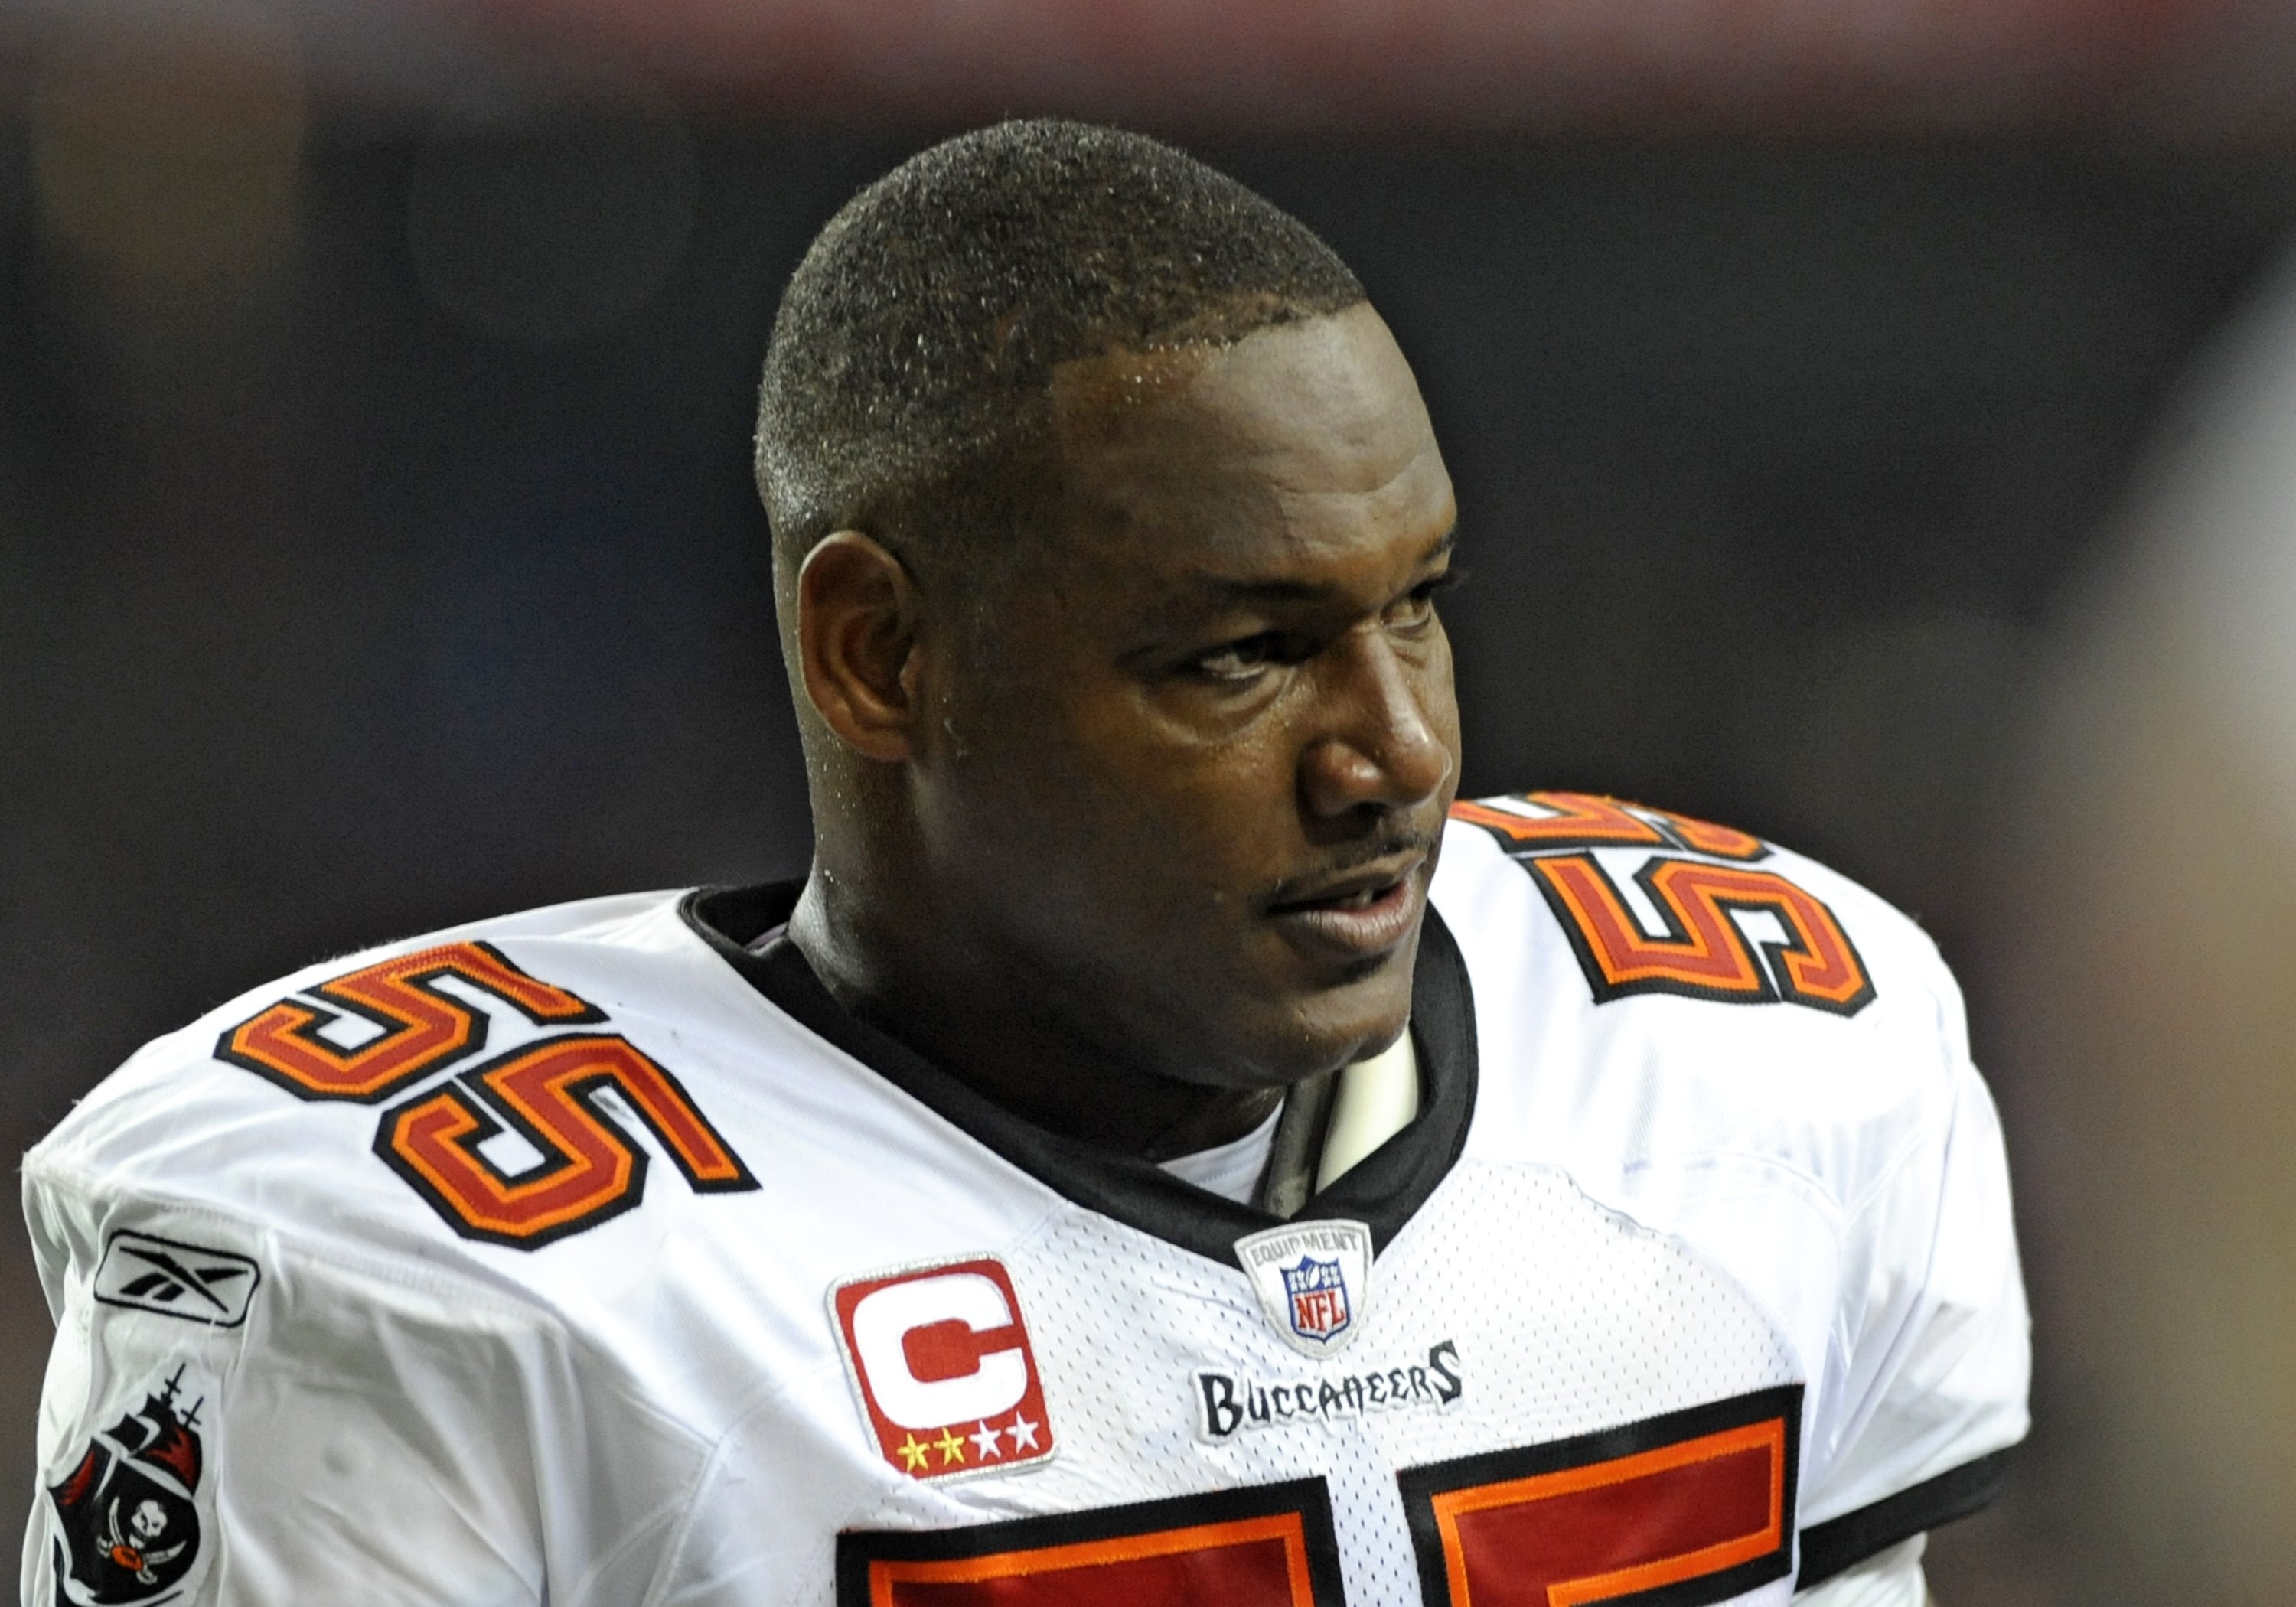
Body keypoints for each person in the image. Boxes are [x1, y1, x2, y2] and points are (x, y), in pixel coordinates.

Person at [21, 120, 2027, 1607]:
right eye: (1240, 654)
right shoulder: (411, 1258)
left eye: (1415, 606)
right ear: (882, 656)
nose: (1401, 753)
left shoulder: (1764, 1059)